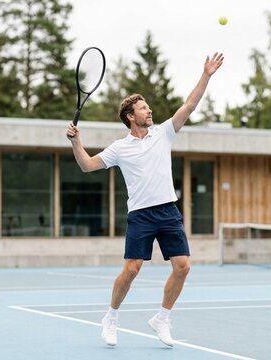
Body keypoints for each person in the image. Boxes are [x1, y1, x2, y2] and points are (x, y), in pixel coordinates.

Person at [65, 52, 224, 347]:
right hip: (140, 215)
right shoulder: (119, 148)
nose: (149, 111)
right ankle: (111, 317)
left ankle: (162, 318)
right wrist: (77, 142)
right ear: (130, 116)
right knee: (132, 269)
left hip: (167, 211)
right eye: (143, 108)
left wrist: (207, 74)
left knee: (183, 266)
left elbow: (189, 105)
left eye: (148, 107)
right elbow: (87, 165)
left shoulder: (163, 133)